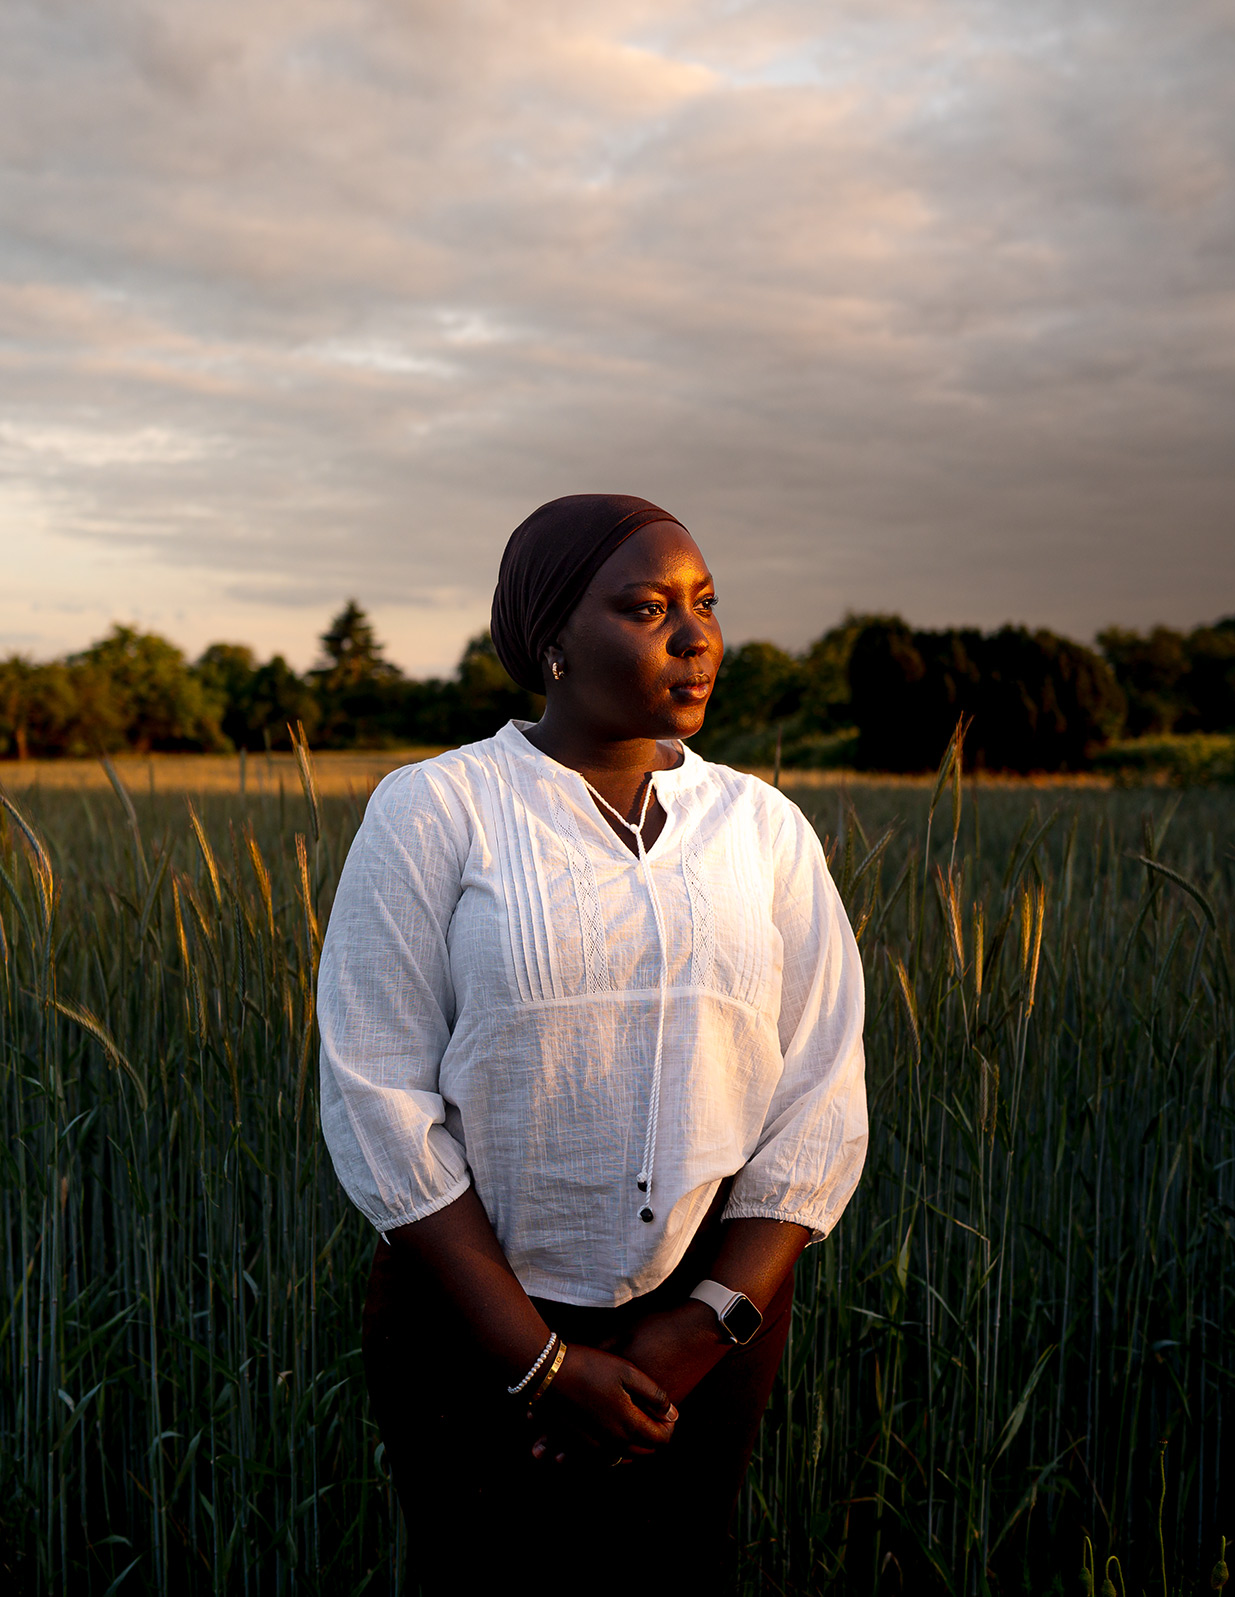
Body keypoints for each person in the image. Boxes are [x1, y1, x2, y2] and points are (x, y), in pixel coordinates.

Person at [316, 494, 868, 1594]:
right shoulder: (436, 810)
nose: (696, 633)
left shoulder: (762, 830)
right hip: (474, 1321)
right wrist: (541, 1362)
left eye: (705, 604)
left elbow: (820, 1093)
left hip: (714, 1319)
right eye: (646, 606)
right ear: (552, 638)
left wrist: (702, 1327)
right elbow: (377, 1093)